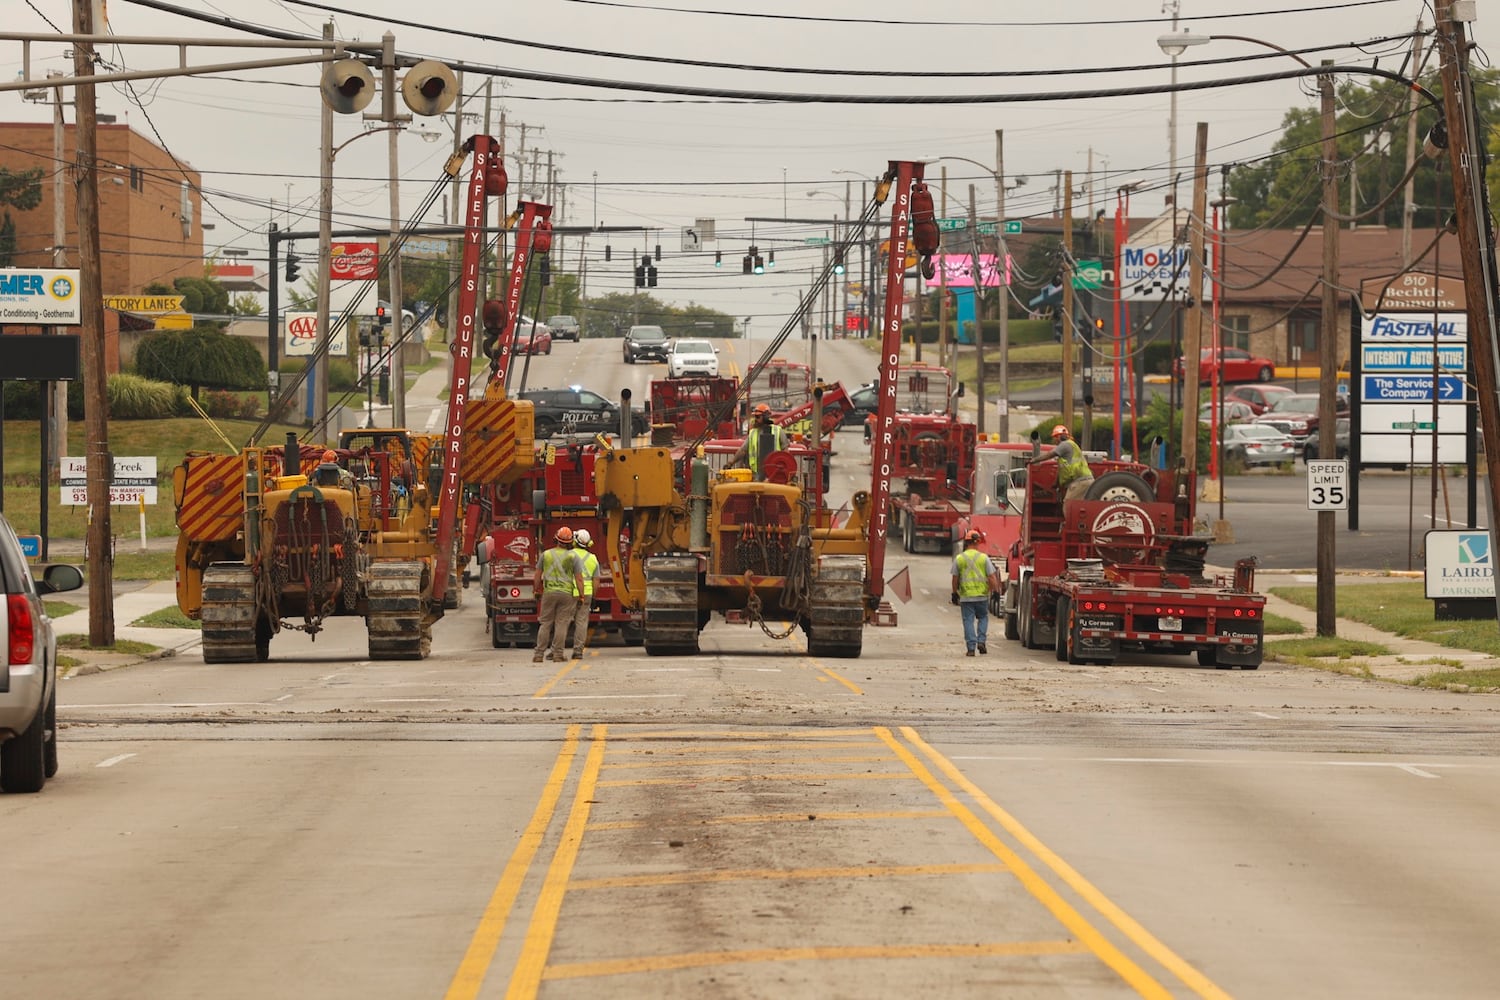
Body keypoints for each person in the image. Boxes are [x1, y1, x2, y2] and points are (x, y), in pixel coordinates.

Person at [533, 526, 584, 663]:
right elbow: (579, 578)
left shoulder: (546, 554)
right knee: (561, 624)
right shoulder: (573, 557)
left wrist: (536, 590)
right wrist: (581, 595)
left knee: (545, 623)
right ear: (570, 542)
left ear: (556, 539)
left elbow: (537, 574)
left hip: (549, 593)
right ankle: (558, 654)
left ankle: (539, 654)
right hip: (566, 594)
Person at [951, 529, 1000, 656]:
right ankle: (981, 642)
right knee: (983, 618)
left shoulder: (959, 558)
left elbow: (955, 578)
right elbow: (992, 577)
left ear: (966, 543)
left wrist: (954, 593)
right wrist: (995, 591)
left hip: (966, 596)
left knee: (968, 621)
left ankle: (971, 648)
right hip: (982, 596)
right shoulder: (984, 558)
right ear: (978, 542)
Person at [731, 403, 787, 481]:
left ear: (766, 417)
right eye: (755, 417)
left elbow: (785, 453)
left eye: (758, 417)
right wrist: (731, 462)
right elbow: (742, 450)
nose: (755, 419)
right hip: (756, 475)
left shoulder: (778, 431)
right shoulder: (753, 432)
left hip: (774, 474)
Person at [568, 528, 600, 660]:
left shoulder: (568, 555)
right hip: (586, 593)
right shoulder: (593, 558)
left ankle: (556, 650)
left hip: (569, 592)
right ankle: (578, 651)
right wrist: (594, 596)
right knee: (581, 622)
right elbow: (596, 580)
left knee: (562, 621)